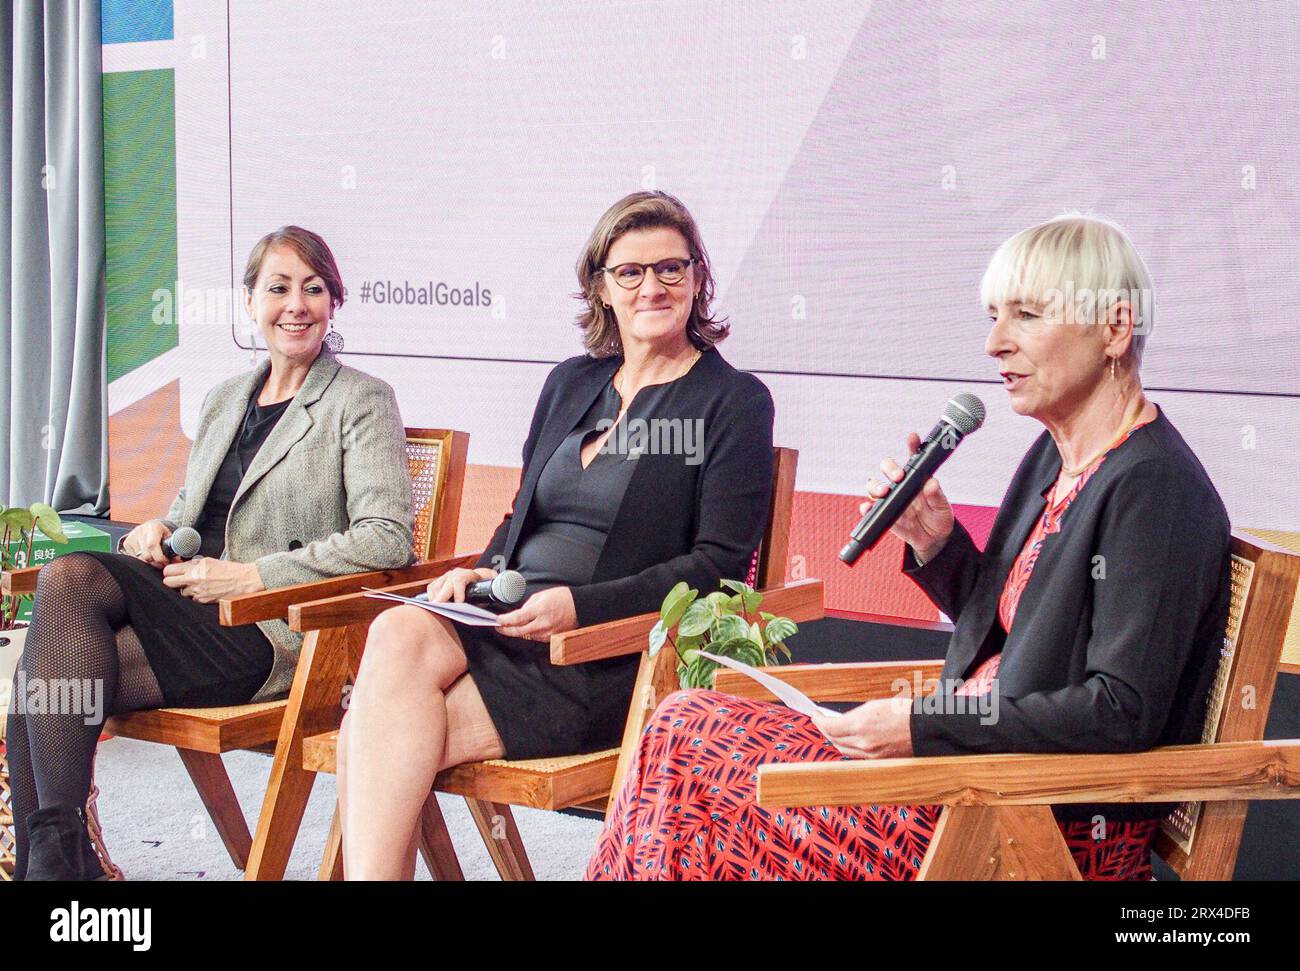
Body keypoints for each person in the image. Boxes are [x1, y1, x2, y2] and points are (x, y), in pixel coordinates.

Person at [588, 214, 1232, 881]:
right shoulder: (1055, 456)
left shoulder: (1153, 488)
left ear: (1115, 329)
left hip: (1026, 817)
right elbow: (1023, 632)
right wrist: (938, 544)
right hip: (967, 775)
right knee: (683, 719)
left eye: (1027, 315)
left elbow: (1119, 710)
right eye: (993, 316)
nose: (994, 343)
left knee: (695, 748)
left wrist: (925, 725)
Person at [338, 191, 775, 879]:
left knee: (380, 737)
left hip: (603, 652)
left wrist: (582, 606)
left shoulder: (732, 401)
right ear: (602, 286)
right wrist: (478, 570)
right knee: (395, 633)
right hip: (505, 613)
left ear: (698, 278)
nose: (651, 285)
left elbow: (720, 568)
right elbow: (521, 513)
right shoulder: (572, 382)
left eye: (670, 267)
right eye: (629, 271)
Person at [6, 226, 415, 880]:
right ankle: (57, 860)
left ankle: (54, 867)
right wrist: (157, 531)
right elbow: (193, 513)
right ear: (250, 302)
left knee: (51, 642)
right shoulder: (225, 399)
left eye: (313, 288)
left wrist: (252, 573)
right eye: (278, 287)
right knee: (53, 651)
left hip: (267, 627)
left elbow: (388, 538)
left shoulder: (360, 400)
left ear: (334, 302)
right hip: (185, 603)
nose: (296, 304)